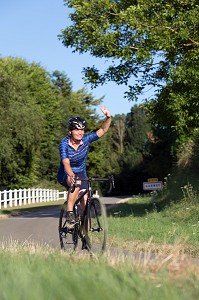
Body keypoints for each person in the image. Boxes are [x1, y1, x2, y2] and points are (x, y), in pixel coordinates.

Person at [57, 106, 111, 228]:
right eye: (77, 130)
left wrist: (108, 117)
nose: (80, 132)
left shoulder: (86, 140)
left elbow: (102, 130)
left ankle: (83, 230)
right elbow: (66, 163)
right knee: (76, 184)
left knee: (86, 200)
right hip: (65, 173)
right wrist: (72, 176)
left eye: (82, 130)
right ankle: (70, 212)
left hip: (81, 172)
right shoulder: (64, 144)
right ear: (70, 131)